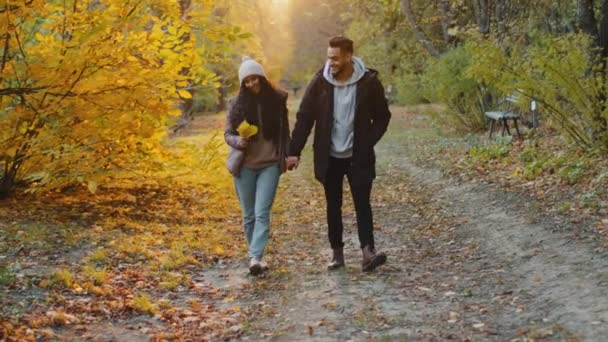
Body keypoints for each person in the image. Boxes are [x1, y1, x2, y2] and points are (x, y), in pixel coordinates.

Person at [286, 36, 391, 272]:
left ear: (348, 57)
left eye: (335, 57)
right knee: (333, 204)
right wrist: (294, 151)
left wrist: (367, 142)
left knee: (362, 203)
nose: (330, 62)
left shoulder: (368, 82)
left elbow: (383, 116)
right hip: (330, 156)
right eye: (328, 57)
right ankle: (337, 253)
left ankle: (367, 252)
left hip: (358, 156)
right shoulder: (320, 82)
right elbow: (304, 117)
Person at [224, 56, 290, 276]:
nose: (252, 83)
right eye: (247, 81)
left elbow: (285, 132)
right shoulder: (236, 105)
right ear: (243, 84)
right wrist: (237, 141)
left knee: (262, 212)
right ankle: (255, 256)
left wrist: (288, 155)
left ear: (262, 78)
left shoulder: (278, 100)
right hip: (245, 166)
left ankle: (255, 257)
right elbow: (228, 134)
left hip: (269, 164)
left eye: (255, 79)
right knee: (248, 215)